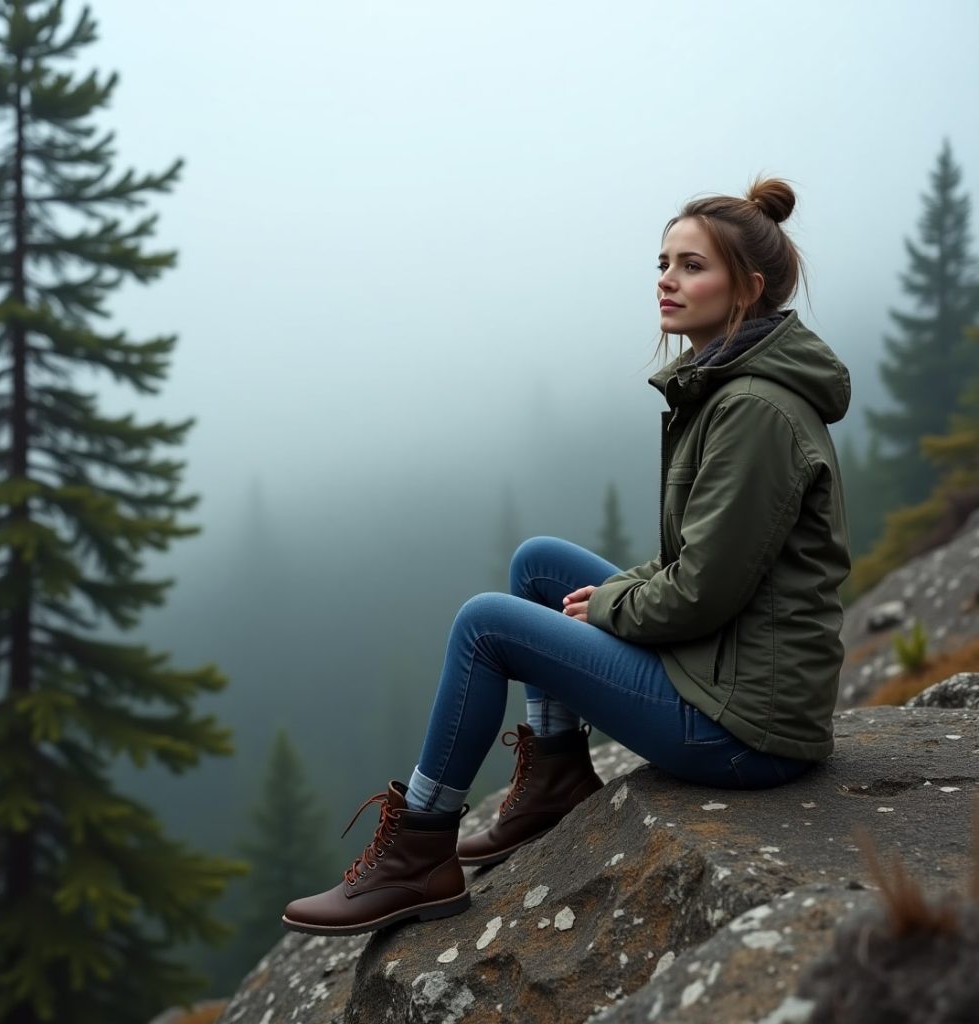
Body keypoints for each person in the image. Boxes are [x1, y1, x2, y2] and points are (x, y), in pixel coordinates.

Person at [281, 177, 851, 937]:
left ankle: (420, 849)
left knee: (487, 625)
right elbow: (705, 559)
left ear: (747, 289)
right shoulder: (728, 388)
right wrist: (621, 596)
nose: (666, 281)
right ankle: (553, 779)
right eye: (663, 262)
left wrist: (613, 604)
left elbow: (705, 590)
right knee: (540, 564)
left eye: (691, 266)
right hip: (731, 674)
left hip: (743, 725)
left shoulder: (752, 409)